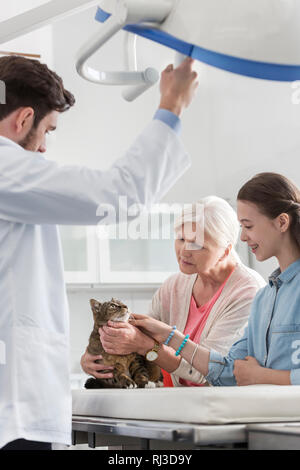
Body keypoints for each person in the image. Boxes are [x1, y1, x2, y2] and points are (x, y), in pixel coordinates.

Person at [0, 55, 198, 450]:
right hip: (13, 407)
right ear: (23, 120)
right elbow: (119, 197)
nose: (42, 149)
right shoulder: (6, 169)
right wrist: (172, 106)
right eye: (47, 131)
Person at [127, 173, 300, 387]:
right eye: (181, 239)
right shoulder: (265, 298)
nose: (243, 237)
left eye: (249, 226)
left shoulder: (251, 290)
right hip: (267, 416)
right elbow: (227, 371)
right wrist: (169, 336)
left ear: (282, 222)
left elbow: (238, 375)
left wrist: (262, 377)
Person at [81, 196, 265, 386]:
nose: (184, 251)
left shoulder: (248, 293)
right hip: (176, 403)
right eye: (181, 239)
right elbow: (136, 340)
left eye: (197, 244)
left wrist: (146, 346)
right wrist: (94, 356)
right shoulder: (174, 285)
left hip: (219, 408)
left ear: (225, 251)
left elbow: (211, 373)